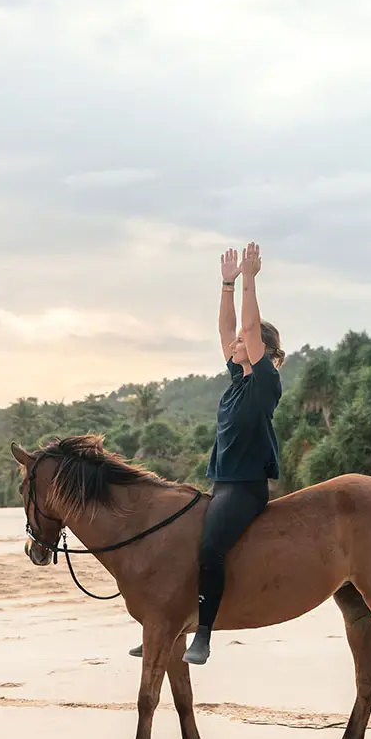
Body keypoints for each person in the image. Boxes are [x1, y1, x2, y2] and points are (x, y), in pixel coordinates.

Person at [129, 241, 284, 664]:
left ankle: (204, 633)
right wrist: (226, 285)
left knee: (211, 547)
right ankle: (168, 624)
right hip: (222, 484)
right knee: (181, 543)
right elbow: (225, 330)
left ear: (262, 353)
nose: (233, 343)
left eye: (242, 343)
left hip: (246, 487)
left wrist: (251, 279)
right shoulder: (238, 380)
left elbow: (248, 331)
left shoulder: (263, 384)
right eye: (234, 343)